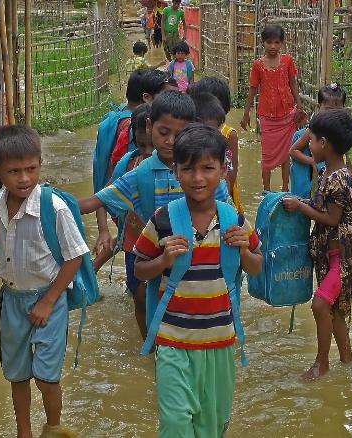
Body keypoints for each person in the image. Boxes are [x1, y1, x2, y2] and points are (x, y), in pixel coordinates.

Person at [133, 124, 262, 435]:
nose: (198, 178)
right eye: (188, 168)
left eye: (208, 168)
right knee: (175, 424)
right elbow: (139, 268)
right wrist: (163, 260)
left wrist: (244, 251)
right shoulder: (163, 220)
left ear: (222, 170)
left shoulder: (236, 221)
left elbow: (257, 267)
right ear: (176, 171)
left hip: (219, 341)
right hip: (172, 341)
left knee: (211, 427)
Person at [0, 125, 89, 438]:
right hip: (12, 301)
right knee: (17, 374)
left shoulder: (54, 208)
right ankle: (23, 432)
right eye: (14, 171)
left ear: (40, 163)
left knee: (46, 377)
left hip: (49, 301)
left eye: (31, 169)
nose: (24, 178)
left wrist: (49, 300)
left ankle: (54, 428)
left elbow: (74, 257)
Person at [79, 91, 230, 270]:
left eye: (178, 134)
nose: (170, 141)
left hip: (200, 265)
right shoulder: (139, 174)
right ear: (150, 126)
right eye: (164, 132)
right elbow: (96, 201)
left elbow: (228, 219)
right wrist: (48, 201)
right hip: (151, 262)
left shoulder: (207, 176)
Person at [281, 109, 352, 381]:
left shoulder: (338, 179)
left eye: (312, 140)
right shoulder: (331, 172)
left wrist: (300, 207)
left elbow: (331, 218)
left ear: (324, 144)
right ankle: (347, 361)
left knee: (320, 305)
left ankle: (321, 363)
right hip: (334, 255)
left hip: (341, 258)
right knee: (337, 311)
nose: (310, 145)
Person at [241, 24, 307, 194]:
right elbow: (253, 89)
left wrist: (299, 104)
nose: (273, 46)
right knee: (267, 155)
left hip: (287, 114)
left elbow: (293, 83)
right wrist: (246, 113)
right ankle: (267, 190)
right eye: (269, 42)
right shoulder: (258, 65)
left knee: (287, 154)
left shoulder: (287, 61)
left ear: (282, 43)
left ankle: (285, 188)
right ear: (262, 43)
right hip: (267, 117)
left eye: (277, 42)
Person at [110, 103, 154, 338]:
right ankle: (146, 341)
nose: (147, 151)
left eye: (152, 145)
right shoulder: (128, 164)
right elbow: (107, 195)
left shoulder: (174, 166)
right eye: (142, 144)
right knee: (139, 295)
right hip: (133, 243)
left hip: (162, 243)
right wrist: (108, 228)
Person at [290, 83, 352, 196]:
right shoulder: (314, 129)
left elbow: (344, 155)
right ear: (319, 108)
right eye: (328, 109)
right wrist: (313, 161)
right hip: (314, 175)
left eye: (337, 110)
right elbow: (293, 151)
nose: (332, 114)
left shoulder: (339, 130)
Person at [188, 77, 242, 212]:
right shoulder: (192, 129)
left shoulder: (229, 134)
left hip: (222, 191)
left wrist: (226, 195)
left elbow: (231, 170)